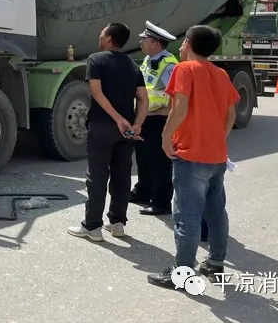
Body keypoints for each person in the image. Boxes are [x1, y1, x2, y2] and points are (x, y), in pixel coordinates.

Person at [147, 25, 240, 289]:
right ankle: (215, 263)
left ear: (188, 42)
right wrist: (217, 139)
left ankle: (182, 271)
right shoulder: (220, 74)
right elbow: (231, 114)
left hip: (190, 155)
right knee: (215, 211)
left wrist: (165, 137)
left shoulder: (184, 69)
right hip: (216, 156)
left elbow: (180, 107)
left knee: (186, 215)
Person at [68, 22, 148, 241]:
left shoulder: (96, 59)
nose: (99, 36)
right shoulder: (133, 65)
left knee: (97, 176)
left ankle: (92, 226)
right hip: (127, 130)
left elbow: (96, 92)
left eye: (102, 33)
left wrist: (117, 119)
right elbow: (143, 98)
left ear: (109, 38)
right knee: (122, 176)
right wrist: (137, 123)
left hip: (103, 126)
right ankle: (117, 223)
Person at [130, 21, 179, 216]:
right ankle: (143, 192)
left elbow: (176, 96)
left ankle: (161, 203)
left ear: (156, 43)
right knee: (143, 158)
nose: (141, 42)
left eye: (144, 39)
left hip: (158, 119)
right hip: (145, 118)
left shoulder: (169, 65)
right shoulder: (149, 60)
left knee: (159, 162)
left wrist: (161, 114)